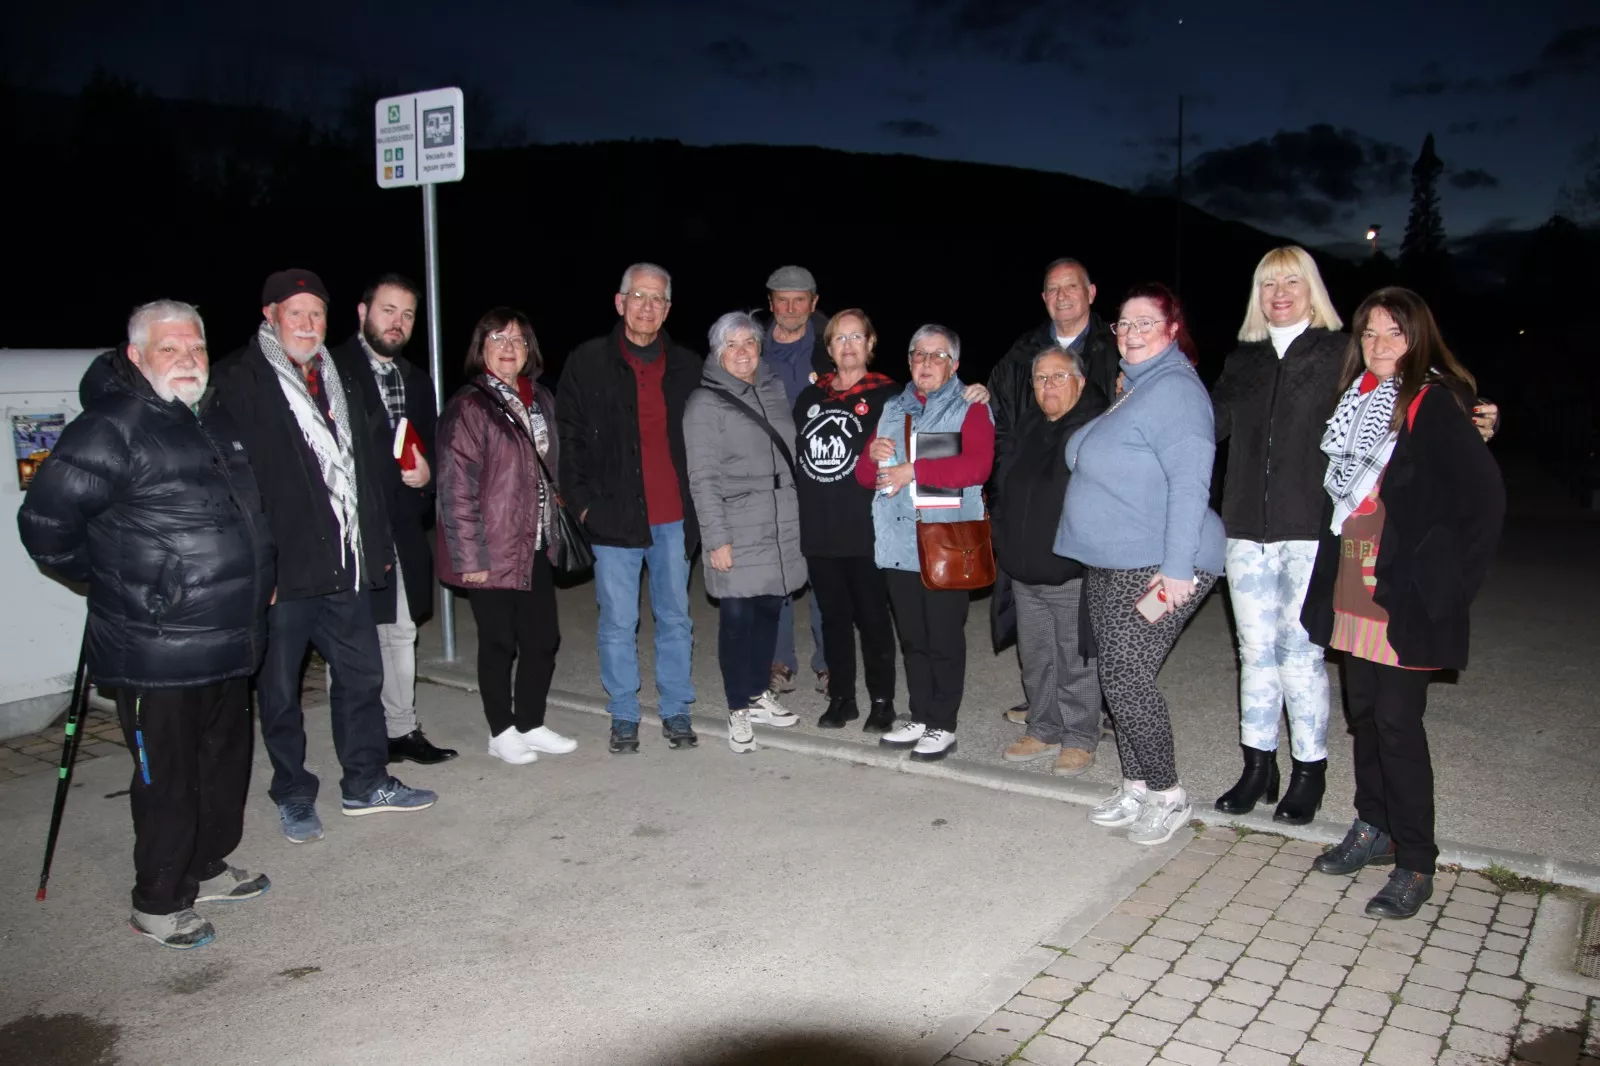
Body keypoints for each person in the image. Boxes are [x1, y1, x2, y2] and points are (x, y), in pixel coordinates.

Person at [19, 300, 274, 949]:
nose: (188, 359)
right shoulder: (112, 425)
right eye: (170, 348)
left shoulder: (212, 417)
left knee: (222, 768)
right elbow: (45, 524)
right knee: (168, 777)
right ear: (136, 356)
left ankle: (205, 863)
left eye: (196, 347)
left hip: (226, 637)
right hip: (154, 645)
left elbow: (247, 512)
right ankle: (158, 900)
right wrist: (112, 578)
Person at [1300, 287, 1504, 920]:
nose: (1380, 345)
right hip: (1356, 579)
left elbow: (1483, 500)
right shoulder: (1355, 403)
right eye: (1369, 334)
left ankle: (1417, 860)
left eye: (1394, 333)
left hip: (1407, 593)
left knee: (1397, 722)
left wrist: (1451, 585)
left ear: (1418, 341)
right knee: (1364, 714)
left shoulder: (1432, 403)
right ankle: (1374, 826)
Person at [214, 269, 436, 844]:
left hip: (346, 562)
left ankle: (365, 781)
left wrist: (379, 545)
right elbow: (231, 484)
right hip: (283, 572)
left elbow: (365, 467)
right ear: (271, 316)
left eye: (317, 315)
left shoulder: (339, 377)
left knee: (361, 677)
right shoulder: (239, 381)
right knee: (280, 690)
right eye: (296, 314)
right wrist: (254, 565)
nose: (309, 325)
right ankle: (292, 791)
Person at [1055, 283, 1225, 847]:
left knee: (1128, 678)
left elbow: (1190, 482)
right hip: (1115, 558)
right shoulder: (1137, 389)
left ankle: (1168, 794)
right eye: (1122, 324)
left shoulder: (1175, 390)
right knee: (1117, 676)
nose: (1129, 333)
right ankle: (1135, 784)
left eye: (1145, 323)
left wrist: (1177, 568)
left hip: (1161, 563)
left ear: (1173, 330)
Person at [1207, 247, 1346, 823]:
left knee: (1300, 653)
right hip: (1245, 529)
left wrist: (1471, 409)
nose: (1280, 293)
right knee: (1253, 652)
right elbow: (1205, 424)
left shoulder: (1343, 352)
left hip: (1308, 528)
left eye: (1292, 281)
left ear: (1312, 288)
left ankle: (1310, 770)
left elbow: (1407, 390)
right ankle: (1258, 766)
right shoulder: (1245, 359)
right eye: (1269, 284)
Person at [556, 263, 701, 753]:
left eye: (657, 299)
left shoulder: (687, 365)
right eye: (638, 296)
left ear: (667, 309)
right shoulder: (587, 361)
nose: (647, 306)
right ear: (619, 302)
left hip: (673, 518)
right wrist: (582, 509)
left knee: (676, 619)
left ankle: (677, 710)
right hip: (612, 518)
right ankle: (623, 714)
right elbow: (568, 440)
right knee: (618, 622)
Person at [436, 308, 577, 765]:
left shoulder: (541, 399)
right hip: (490, 546)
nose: (509, 346)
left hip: (534, 543)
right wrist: (468, 556)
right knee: (499, 641)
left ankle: (530, 722)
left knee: (542, 638)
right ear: (481, 348)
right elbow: (455, 485)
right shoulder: (469, 405)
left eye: (517, 339)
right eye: (497, 338)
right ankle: (501, 730)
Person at [327, 273, 456, 766]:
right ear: (362, 313)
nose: (398, 322)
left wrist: (427, 476)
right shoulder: (330, 368)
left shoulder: (417, 380)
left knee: (400, 633)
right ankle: (360, 740)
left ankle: (401, 730)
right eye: (388, 310)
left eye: (407, 315)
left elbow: (429, 450)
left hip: (399, 529)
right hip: (347, 531)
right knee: (353, 642)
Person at [987, 258, 1121, 717]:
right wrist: (1010, 476)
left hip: (1088, 512)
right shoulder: (1022, 353)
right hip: (1029, 512)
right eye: (1052, 289)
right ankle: (1043, 713)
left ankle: (1091, 713)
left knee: (1081, 628)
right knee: (1037, 632)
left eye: (1072, 287)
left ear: (1091, 292)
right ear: (1043, 298)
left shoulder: (1117, 347)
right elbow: (999, 422)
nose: (1062, 296)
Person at [855, 325, 995, 761]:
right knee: (913, 637)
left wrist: (913, 470)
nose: (927, 363)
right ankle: (919, 715)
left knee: (943, 637)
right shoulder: (894, 408)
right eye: (919, 355)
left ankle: (943, 724)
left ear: (953, 364)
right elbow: (865, 478)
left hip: (947, 540)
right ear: (909, 361)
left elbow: (977, 467)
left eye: (937, 356)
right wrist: (871, 456)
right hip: (899, 541)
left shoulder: (969, 405)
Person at [683, 312, 808, 752]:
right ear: (718, 352)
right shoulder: (705, 402)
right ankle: (738, 706)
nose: (742, 352)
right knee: (736, 620)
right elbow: (703, 477)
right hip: (735, 522)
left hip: (779, 523)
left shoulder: (773, 390)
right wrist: (715, 538)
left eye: (749, 343)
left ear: (759, 348)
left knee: (770, 613)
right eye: (731, 345)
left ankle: (758, 694)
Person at [993, 348, 1108, 775]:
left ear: (1079, 381)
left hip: (1071, 571)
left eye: (1058, 377)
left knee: (1075, 659)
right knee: (1036, 655)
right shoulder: (1030, 425)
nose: (1048, 387)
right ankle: (1043, 728)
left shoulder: (1094, 429)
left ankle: (1080, 737)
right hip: (1025, 569)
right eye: (1040, 379)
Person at [792, 309, 900, 732]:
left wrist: (971, 395)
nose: (849, 345)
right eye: (840, 338)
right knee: (832, 619)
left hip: (868, 527)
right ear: (830, 347)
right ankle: (842, 698)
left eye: (857, 337)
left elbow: (928, 419)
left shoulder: (891, 395)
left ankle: (881, 701)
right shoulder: (809, 398)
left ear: (870, 344)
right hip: (819, 527)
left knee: (873, 618)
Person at [751, 265, 832, 696]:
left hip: (823, 477)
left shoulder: (834, 345)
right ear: (770, 304)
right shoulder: (750, 347)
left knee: (824, 570)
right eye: (781, 299)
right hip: (769, 479)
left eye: (799, 299)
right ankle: (778, 660)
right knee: (775, 573)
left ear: (813, 303)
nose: (790, 307)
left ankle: (829, 661)